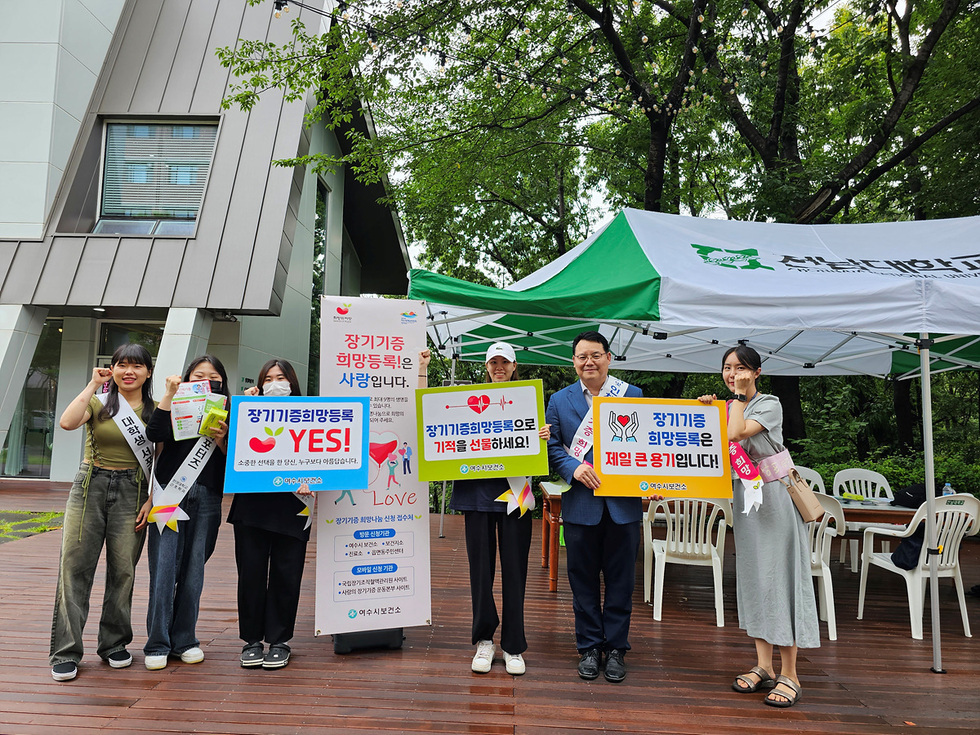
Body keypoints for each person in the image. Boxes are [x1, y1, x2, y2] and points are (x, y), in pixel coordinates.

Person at [697, 344, 819, 708]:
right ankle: (764, 665)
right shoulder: (729, 406)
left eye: (740, 368)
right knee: (754, 578)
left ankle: (790, 673)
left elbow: (736, 434)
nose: (732, 373)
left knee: (780, 578)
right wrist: (706, 411)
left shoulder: (768, 403)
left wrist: (733, 397)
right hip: (747, 502)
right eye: (727, 368)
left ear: (756, 373)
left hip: (775, 501)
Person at [419, 344, 550, 676]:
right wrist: (422, 370)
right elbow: (430, 416)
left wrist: (545, 435)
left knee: (516, 571)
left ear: (514, 364)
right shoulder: (466, 399)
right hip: (475, 495)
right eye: (493, 362)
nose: (499, 366)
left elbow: (546, 442)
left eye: (504, 361)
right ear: (486, 366)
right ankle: (484, 640)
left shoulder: (528, 400)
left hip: (515, 496)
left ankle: (513, 645)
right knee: (480, 573)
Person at [545, 331, 647, 683]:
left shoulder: (632, 395)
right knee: (582, 580)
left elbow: (648, 446)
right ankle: (589, 646)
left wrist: (657, 482)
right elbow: (553, 447)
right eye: (581, 356)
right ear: (573, 361)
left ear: (608, 358)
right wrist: (574, 468)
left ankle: (616, 648)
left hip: (624, 506)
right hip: (581, 505)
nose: (589, 362)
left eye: (596, 355)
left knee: (621, 582)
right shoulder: (559, 401)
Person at [50, 344, 156, 682]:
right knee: (74, 567)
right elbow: (67, 422)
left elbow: (163, 459)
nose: (129, 371)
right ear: (112, 369)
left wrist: (152, 498)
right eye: (121, 365)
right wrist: (93, 384)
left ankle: (113, 644)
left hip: (134, 491)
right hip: (89, 487)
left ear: (147, 372)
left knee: (123, 570)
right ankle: (66, 651)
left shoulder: (155, 411)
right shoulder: (99, 403)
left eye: (137, 366)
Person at [143, 355, 230, 670]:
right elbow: (154, 434)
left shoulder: (229, 412)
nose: (207, 380)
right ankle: (157, 643)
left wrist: (223, 440)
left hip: (207, 496)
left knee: (194, 571)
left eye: (213, 376)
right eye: (198, 375)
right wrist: (168, 394)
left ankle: (185, 639)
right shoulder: (174, 404)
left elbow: (236, 462)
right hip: (169, 496)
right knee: (164, 569)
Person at [228, 359, 313, 669]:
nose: (275, 383)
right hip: (252, 504)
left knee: (286, 574)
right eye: (269, 378)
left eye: (281, 378)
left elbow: (326, 456)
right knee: (249, 573)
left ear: (292, 382)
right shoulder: (246, 411)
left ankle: (279, 640)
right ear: (259, 384)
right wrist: (243, 409)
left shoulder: (312, 416)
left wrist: (313, 479)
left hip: (294, 505)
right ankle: (251, 639)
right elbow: (228, 449)